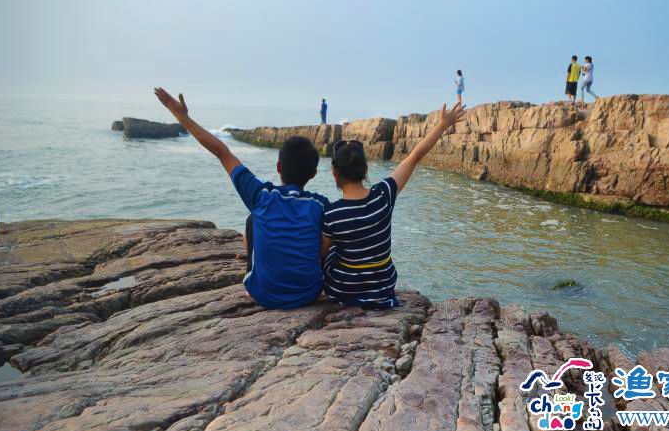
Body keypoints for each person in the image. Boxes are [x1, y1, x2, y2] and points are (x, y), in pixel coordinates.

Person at [153, 88, 329, 310]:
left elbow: (222, 152)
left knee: (253, 219)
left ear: (278, 167)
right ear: (313, 174)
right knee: (326, 231)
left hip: (263, 294)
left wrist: (182, 118)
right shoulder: (321, 205)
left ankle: (260, 268)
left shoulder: (261, 196)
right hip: (308, 294)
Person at [320, 101, 467, 309]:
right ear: (365, 170)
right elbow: (414, 157)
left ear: (335, 173)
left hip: (345, 291)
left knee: (331, 248)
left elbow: (320, 254)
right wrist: (442, 125)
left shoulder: (332, 213)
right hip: (383, 288)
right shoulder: (383, 195)